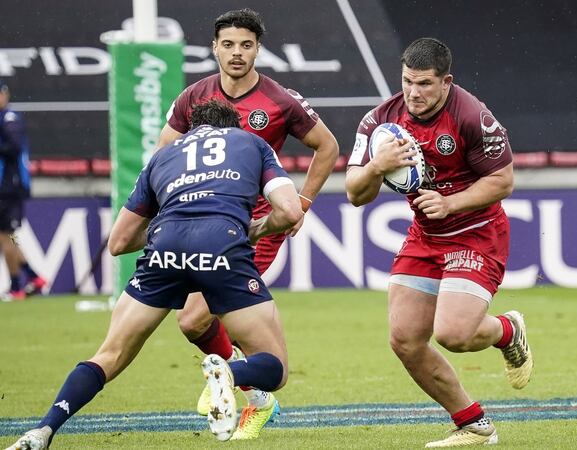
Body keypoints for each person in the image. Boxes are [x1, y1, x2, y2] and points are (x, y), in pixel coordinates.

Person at [5, 99, 304, 450]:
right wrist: (254, 229)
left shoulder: (164, 155)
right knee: (275, 367)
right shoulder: (251, 143)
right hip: (222, 243)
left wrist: (170, 230)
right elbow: (289, 211)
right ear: (232, 128)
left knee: (109, 354)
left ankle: (43, 430)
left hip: (163, 246)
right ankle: (231, 373)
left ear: (192, 129)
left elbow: (118, 242)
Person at [156, 8, 339, 439]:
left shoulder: (279, 100)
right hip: (204, 224)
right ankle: (254, 394)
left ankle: (236, 383)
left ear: (257, 48)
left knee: (196, 317)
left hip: (254, 226)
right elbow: (164, 151)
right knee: (192, 323)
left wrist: (303, 200)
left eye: (246, 45)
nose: (237, 53)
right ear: (214, 47)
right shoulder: (193, 97)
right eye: (228, 44)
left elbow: (327, 147)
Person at [345, 37, 532, 448]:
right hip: (425, 235)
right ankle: (474, 424)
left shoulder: (472, 116)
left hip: (476, 234)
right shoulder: (380, 121)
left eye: (426, 84)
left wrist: (450, 203)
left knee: (454, 334)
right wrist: (378, 165)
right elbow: (355, 194)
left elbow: (503, 181)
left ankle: (506, 331)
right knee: (405, 339)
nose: (414, 92)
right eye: (408, 81)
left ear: (446, 81)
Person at [0, 80, 47, 301]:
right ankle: (33, 276)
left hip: (9, 188)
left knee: (5, 237)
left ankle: (16, 287)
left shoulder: (10, 118)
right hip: (6, 188)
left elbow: (14, 147)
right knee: (8, 236)